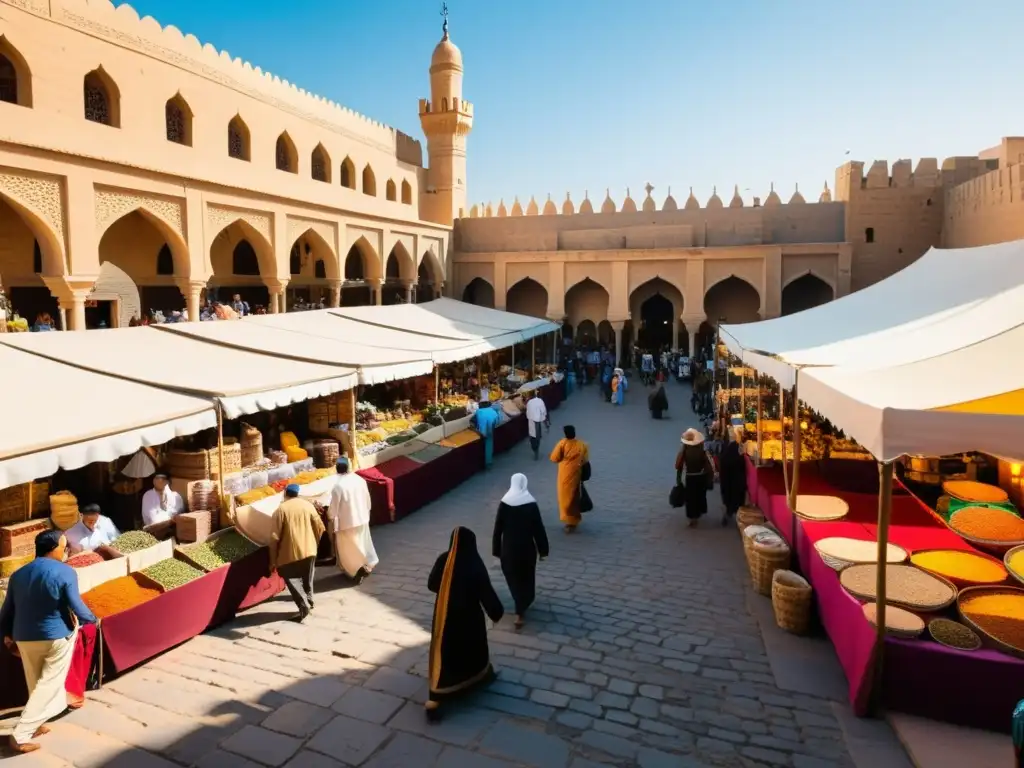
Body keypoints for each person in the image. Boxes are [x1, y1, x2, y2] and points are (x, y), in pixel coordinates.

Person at [1, 530, 97, 754]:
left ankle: (36, 724)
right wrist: (91, 620)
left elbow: (6, 611)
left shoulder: (18, 574)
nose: (65, 551)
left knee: (35, 681)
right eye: (63, 547)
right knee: (48, 684)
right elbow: (76, 604)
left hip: (23, 637)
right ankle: (21, 734)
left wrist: (5, 635)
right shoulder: (65, 571)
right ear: (53, 548)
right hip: (54, 636)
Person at [425, 526, 504, 721]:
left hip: (445, 621)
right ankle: (474, 679)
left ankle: (438, 694)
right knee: (470, 651)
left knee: (446, 653)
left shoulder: (444, 559)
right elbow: (486, 593)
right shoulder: (474, 562)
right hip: (469, 622)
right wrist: (497, 612)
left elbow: (431, 584)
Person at [492, 474, 549, 629]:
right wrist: (543, 550)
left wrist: (496, 550)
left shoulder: (505, 502)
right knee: (526, 577)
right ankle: (522, 606)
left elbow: (498, 529)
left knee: (514, 577)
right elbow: (539, 529)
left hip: (509, 550)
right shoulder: (531, 503)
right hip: (527, 549)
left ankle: (519, 607)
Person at [269, 484, 325, 622]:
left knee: (292, 578)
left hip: (290, 552)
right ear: (297, 494)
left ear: (285, 494)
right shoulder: (308, 506)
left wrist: (273, 560)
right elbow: (320, 528)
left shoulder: (280, 510)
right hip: (310, 549)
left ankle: (303, 604)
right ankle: (310, 600)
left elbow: (274, 538)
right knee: (308, 577)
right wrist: (314, 543)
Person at [327, 457, 379, 583]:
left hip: (347, 522)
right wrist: (367, 512)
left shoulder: (337, 487)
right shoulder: (359, 480)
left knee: (350, 549)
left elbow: (333, 509)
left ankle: (356, 570)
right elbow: (368, 499)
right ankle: (369, 563)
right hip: (362, 518)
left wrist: (330, 517)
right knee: (363, 542)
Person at [550, 425, 590, 533]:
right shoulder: (581, 444)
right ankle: (575, 519)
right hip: (577, 475)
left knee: (565, 498)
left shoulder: (562, 444)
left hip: (564, 476)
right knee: (575, 496)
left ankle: (569, 522)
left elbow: (554, 458)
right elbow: (585, 459)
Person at [675, 428, 715, 528]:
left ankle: (692, 518)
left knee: (690, 499)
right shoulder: (702, 450)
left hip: (690, 477)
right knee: (700, 495)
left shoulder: (684, 450)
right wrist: (710, 477)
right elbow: (708, 465)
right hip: (701, 476)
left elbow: (678, 465)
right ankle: (698, 513)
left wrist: (679, 479)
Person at [719, 426, 748, 527]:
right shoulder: (738, 447)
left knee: (730, 497)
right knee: (737, 497)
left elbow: (723, 461)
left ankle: (729, 514)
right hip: (736, 478)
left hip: (728, 478)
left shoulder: (730, 446)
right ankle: (735, 516)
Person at [474, 400, 500, 468]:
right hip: (490, 430)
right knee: (489, 445)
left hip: (480, 431)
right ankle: (488, 461)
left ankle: (482, 461)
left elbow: (473, 421)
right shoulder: (493, 410)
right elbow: (498, 419)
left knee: (482, 446)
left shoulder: (478, 411)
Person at [525, 391, 548, 460]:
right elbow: (543, 410)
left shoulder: (529, 402)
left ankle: (535, 449)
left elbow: (527, 412)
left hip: (531, 421)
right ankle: (536, 449)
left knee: (532, 436)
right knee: (537, 436)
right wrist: (544, 418)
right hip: (537, 421)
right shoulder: (540, 401)